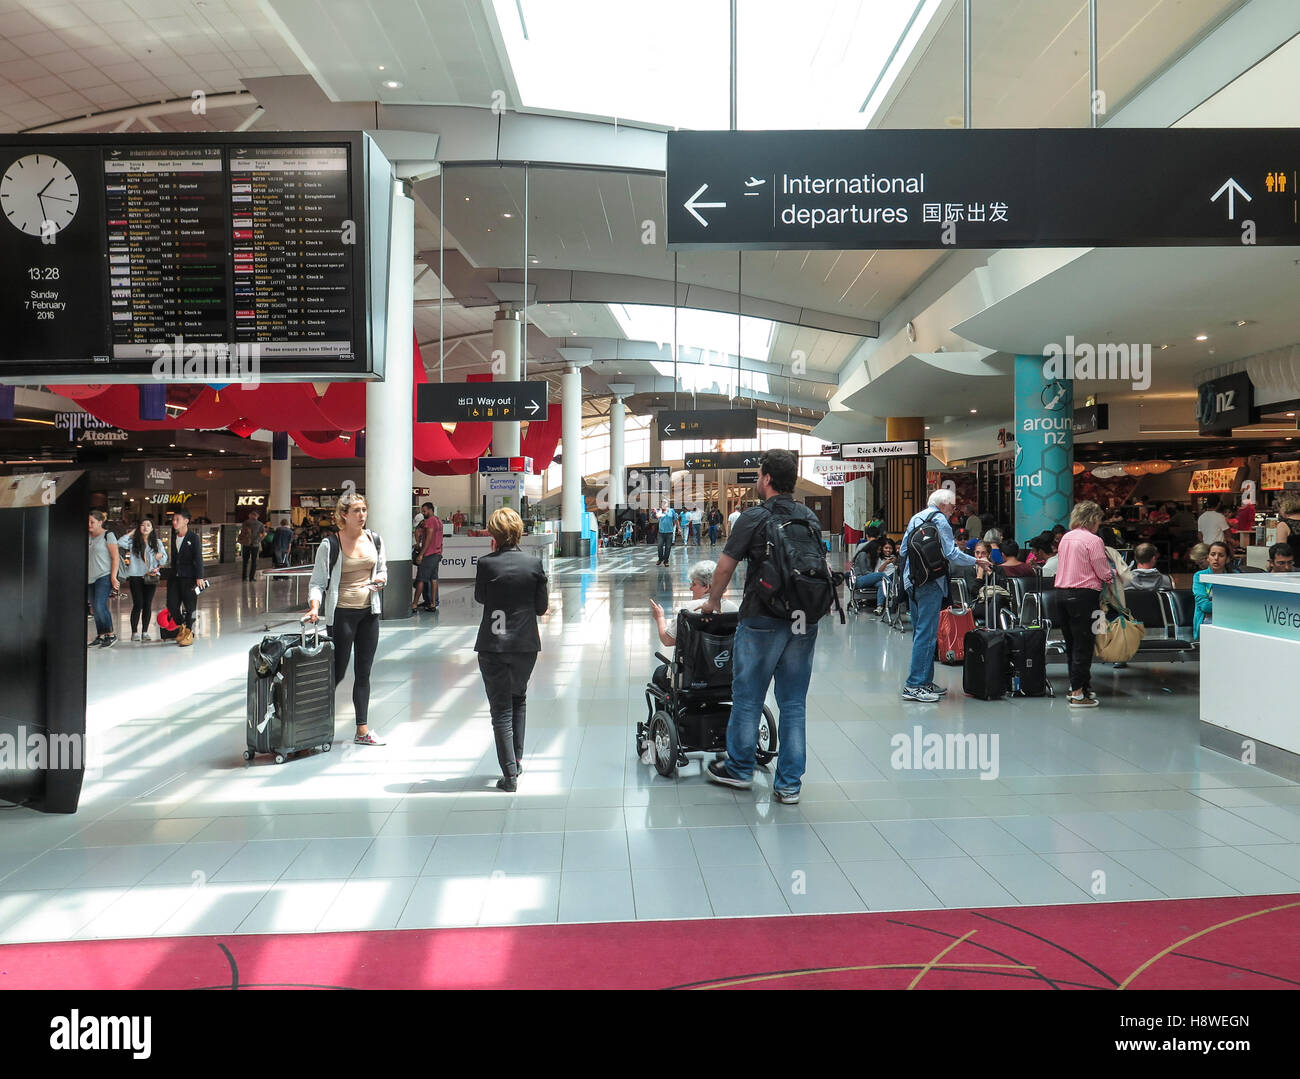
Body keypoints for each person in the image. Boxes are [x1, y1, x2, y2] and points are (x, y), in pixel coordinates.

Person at [700, 449, 821, 803]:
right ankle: (788, 785)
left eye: (758, 475)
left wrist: (713, 600)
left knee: (749, 697)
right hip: (803, 619)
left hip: (762, 619)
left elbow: (724, 567)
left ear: (767, 478)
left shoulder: (753, 517)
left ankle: (739, 770)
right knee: (794, 703)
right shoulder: (808, 517)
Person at [474, 507, 548, 792]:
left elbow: (481, 597)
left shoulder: (486, 564)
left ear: (494, 535)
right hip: (525, 644)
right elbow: (541, 608)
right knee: (519, 699)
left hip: (493, 645)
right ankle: (516, 760)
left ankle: (509, 775)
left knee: (500, 710)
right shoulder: (534, 564)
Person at [306, 492, 388, 746]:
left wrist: (381, 580)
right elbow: (317, 582)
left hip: (369, 613)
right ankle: (310, 723)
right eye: (356, 511)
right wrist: (314, 607)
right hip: (341, 613)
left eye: (364, 509)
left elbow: (383, 569)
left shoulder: (374, 539)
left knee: (363, 672)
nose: (362, 515)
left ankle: (362, 730)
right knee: (337, 672)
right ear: (343, 514)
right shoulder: (330, 544)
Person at [899, 488, 985, 703]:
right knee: (927, 634)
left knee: (921, 632)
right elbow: (951, 554)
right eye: (952, 506)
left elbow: (902, 551)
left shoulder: (916, 518)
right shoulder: (941, 522)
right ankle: (915, 684)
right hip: (931, 582)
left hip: (913, 581)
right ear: (944, 505)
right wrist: (976, 561)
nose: (953, 511)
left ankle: (925, 681)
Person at [1055, 501, 1115, 707]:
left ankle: (1079, 687)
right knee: (1084, 644)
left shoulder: (1066, 538)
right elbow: (1102, 571)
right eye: (1098, 520)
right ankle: (1078, 693)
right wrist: (1115, 575)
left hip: (1061, 595)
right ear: (1092, 519)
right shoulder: (1094, 540)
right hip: (1084, 596)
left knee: (1071, 644)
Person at [649, 560, 738, 691]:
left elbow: (667, 640)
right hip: (726, 678)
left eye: (694, 584)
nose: (690, 588)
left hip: (691, 679)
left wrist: (660, 617)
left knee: (659, 674)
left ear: (706, 587)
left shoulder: (690, 609)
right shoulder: (734, 608)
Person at [118, 517, 167, 641]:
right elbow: (120, 542)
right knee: (138, 603)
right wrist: (132, 532)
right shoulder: (133, 542)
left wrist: (160, 556)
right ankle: (134, 632)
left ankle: (145, 632)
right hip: (135, 576)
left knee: (147, 604)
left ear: (152, 528)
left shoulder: (157, 543)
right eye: (143, 525)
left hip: (151, 577)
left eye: (148, 525)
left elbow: (164, 559)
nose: (145, 527)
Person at [166, 509, 207, 647]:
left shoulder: (193, 537)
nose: (174, 522)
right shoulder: (173, 536)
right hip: (174, 576)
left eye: (177, 519)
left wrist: (199, 576)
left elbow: (198, 558)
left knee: (190, 606)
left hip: (189, 577)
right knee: (172, 604)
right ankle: (181, 626)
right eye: (173, 520)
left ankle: (189, 632)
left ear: (186, 521)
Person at [87, 510, 120, 648]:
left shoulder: (108, 535)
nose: (89, 524)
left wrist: (113, 576)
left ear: (100, 522)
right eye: (88, 522)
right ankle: (101, 635)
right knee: (95, 607)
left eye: (92, 522)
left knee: (100, 605)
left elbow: (115, 557)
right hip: (89, 578)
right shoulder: (87, 536)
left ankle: (111, 634)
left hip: (104, 576)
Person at [1192, 540, 1237, 639]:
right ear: (1208, 557)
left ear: (1227, 559)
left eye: (1221, 555)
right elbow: (1205, 606)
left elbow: (1240, 605)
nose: (1216, 558)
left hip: (1231, 623)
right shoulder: (1199, 576)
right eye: (1213, 554)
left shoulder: (1235, 576)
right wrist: (1230, 606)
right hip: (1207, 623)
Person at [412, 502, 444, 612]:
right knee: (433, 579)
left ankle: (414, 604)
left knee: (421, 579)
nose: (423, 513)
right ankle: (433, 604)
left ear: (431, 510)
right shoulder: (438, 520)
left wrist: (421, 555)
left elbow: (429, 539)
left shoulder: (430, 521)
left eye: (424, 511)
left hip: (429, 555)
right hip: (436, 553)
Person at [239, 511, 265, 581]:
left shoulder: (245, 523)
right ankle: (251, 577)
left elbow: (242, 532)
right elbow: (263, 534)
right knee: (254, 561)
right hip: (255, 544)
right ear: (257, 516)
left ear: (250, 515)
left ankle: (244, 577)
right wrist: (259, 540)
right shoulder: (260, 524)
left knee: (245, 561)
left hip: (246, 544)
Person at [654, 501, 680, 566]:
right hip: (661, 533)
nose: (663, 505)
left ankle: (666, 561)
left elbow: (676, 520)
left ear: (667, 504)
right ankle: (660, 559)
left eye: (665, 503)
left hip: (669, 532)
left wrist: (679, 528)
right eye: (662, 503)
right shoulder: (659, 511)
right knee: (660, 546)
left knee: (668, 547)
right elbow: (657, 516)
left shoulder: (672, 511)